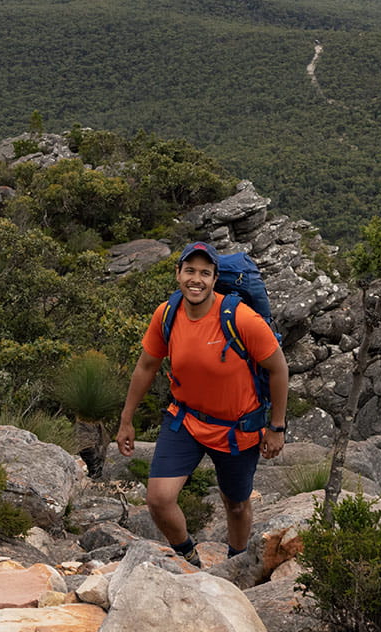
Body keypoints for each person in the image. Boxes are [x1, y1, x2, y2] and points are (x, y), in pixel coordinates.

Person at [115, 241, 289, 567]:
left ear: (214, 278)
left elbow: (278, 368)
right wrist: (126, 419)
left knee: (236, 504)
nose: (197, 279)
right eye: (190, 271)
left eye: (205, 273)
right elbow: (146, 366)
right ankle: (189, 559)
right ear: (178, 274)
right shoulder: (167, 314)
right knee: (158, 499)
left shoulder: (241, 318)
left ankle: (235, 566)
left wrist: (276, 426)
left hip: (237, 428)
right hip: (186, 420)